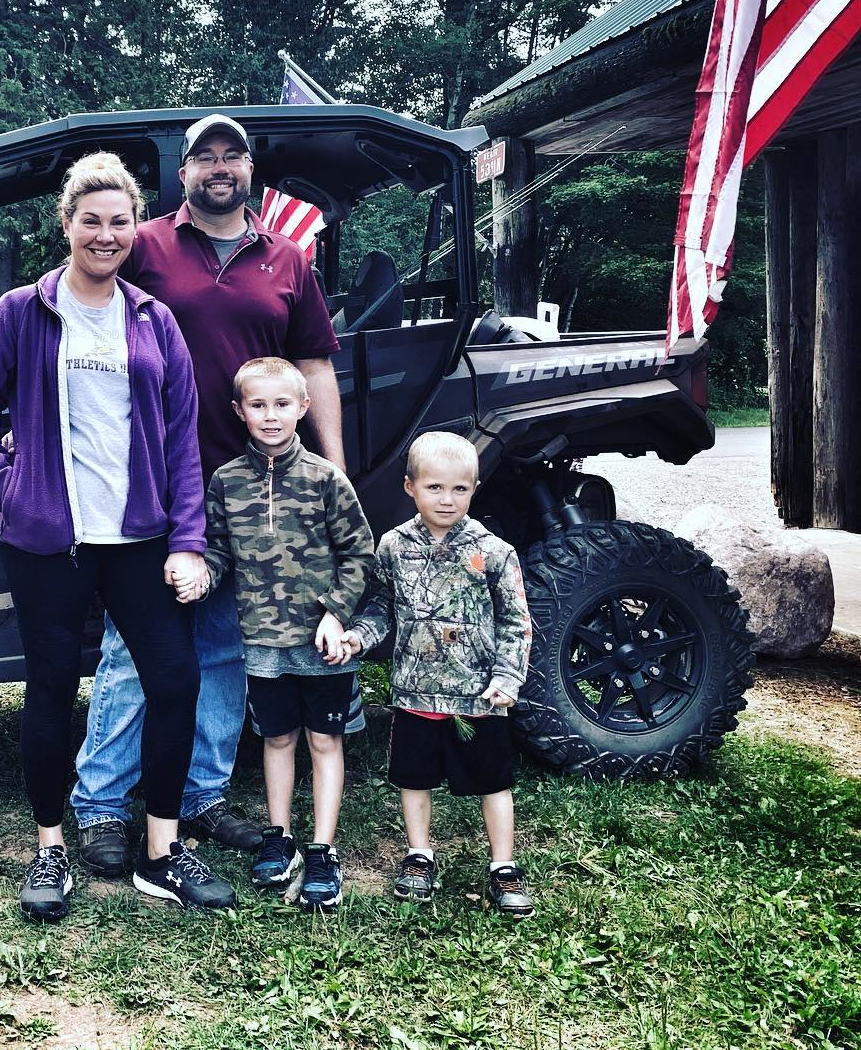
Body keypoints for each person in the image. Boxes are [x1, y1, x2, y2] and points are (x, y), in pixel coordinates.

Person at [0, 151, 236, 922]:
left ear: (132, 230)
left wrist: (186, 539)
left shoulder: (153, 319)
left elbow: (181, 440)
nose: (105, 235)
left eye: (119, 222)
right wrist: (11, 490)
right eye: (91, 221)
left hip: (139, 536)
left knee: (175, 679)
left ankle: (162, 850)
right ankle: (50, 847)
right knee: (49, 687)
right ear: (66, 224)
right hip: (47, 540)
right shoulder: (20, 311)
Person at [70, 113, 344, 877]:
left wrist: (335, 465)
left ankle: (202, 793)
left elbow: (314, 364)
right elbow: (82, 315)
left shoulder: (287, 259)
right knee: (134, 647)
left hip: (250, 491)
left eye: (232, 154)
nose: (218, 167)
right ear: (183, 170)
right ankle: (99, 803)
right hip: (151, 484)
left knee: (226, 644)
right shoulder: (146, 244)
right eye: (204, 156)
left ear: (250, 168)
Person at [179, 357, 374, 909]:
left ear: (303, 408)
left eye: (282, 404)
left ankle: (322, 849)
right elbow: (217, 549)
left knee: (323, 741)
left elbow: (359, 554)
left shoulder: (325, 480)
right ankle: (279, 836)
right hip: (261, 644)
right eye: (258, 405)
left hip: (323, 644)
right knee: (277, 739)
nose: (271, 416)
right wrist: (201, 573)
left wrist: (337, 612)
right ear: (239, 411)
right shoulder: (225, 482)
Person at [341, 431, 536, 918]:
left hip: (479, 698)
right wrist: (358, 637)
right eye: (434, 488)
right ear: (411, 487)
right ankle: (419, 855)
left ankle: (503, 867)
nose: (446, 499)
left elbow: (516, 620)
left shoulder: (494, 551)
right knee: (415, 778)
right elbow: (381, 606)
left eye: (459, 489)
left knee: (494, 782)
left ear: (474, 488)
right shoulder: (392, 546)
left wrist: (507, 679)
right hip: (415, 695)